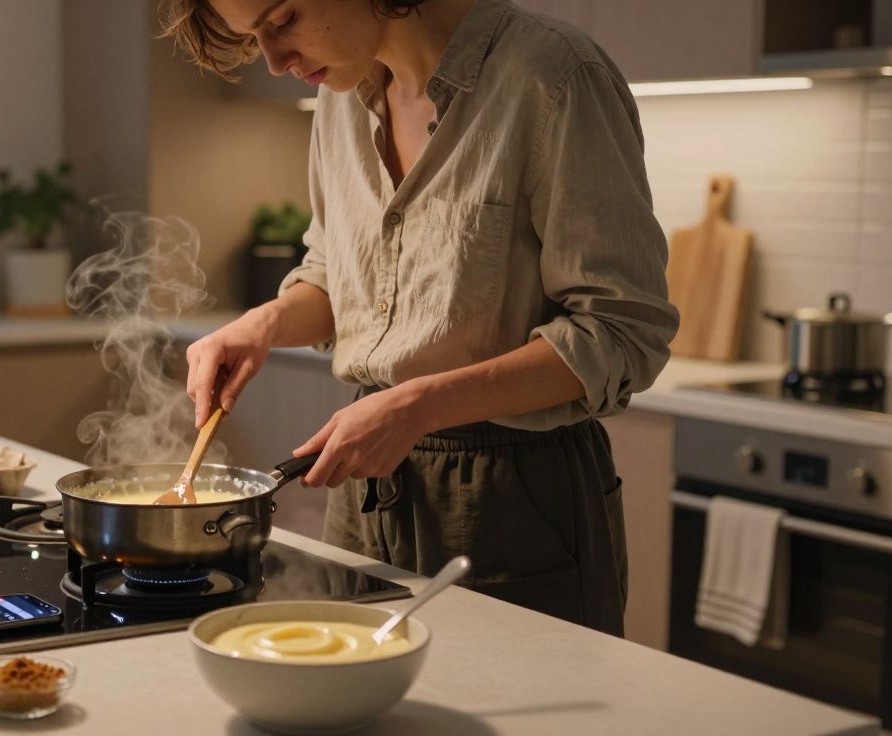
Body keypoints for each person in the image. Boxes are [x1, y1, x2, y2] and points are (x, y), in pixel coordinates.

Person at [159, 0, 679, 635]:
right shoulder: (340, 92)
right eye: (254, 37)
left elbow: (621, 332)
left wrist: (417, 407)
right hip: (366, 490)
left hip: (515, 497)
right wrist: (262, 324)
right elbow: (339, 276)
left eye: (284, 18)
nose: (274, 61)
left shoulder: (553, 76)